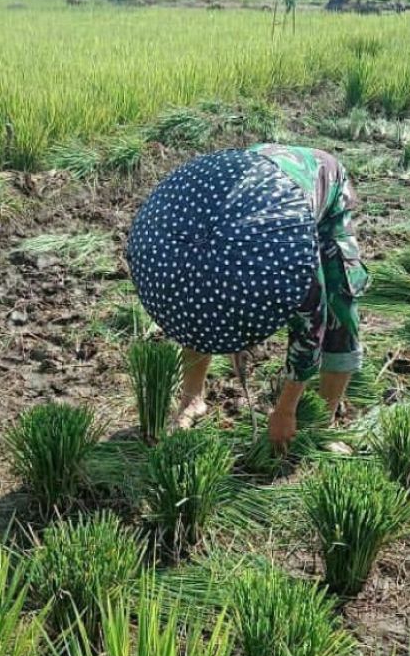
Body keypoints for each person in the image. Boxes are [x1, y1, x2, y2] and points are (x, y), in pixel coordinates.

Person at [132, 144, 369, 451]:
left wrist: (285, 411)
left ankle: (324, 419)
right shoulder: (185, 235)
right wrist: (234, 336)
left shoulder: (290, 261)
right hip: (252, 174)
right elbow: (194, 306)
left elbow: (311, 333)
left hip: (320, 180)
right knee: (193, 301)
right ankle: (192, 399)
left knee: (340, 305)